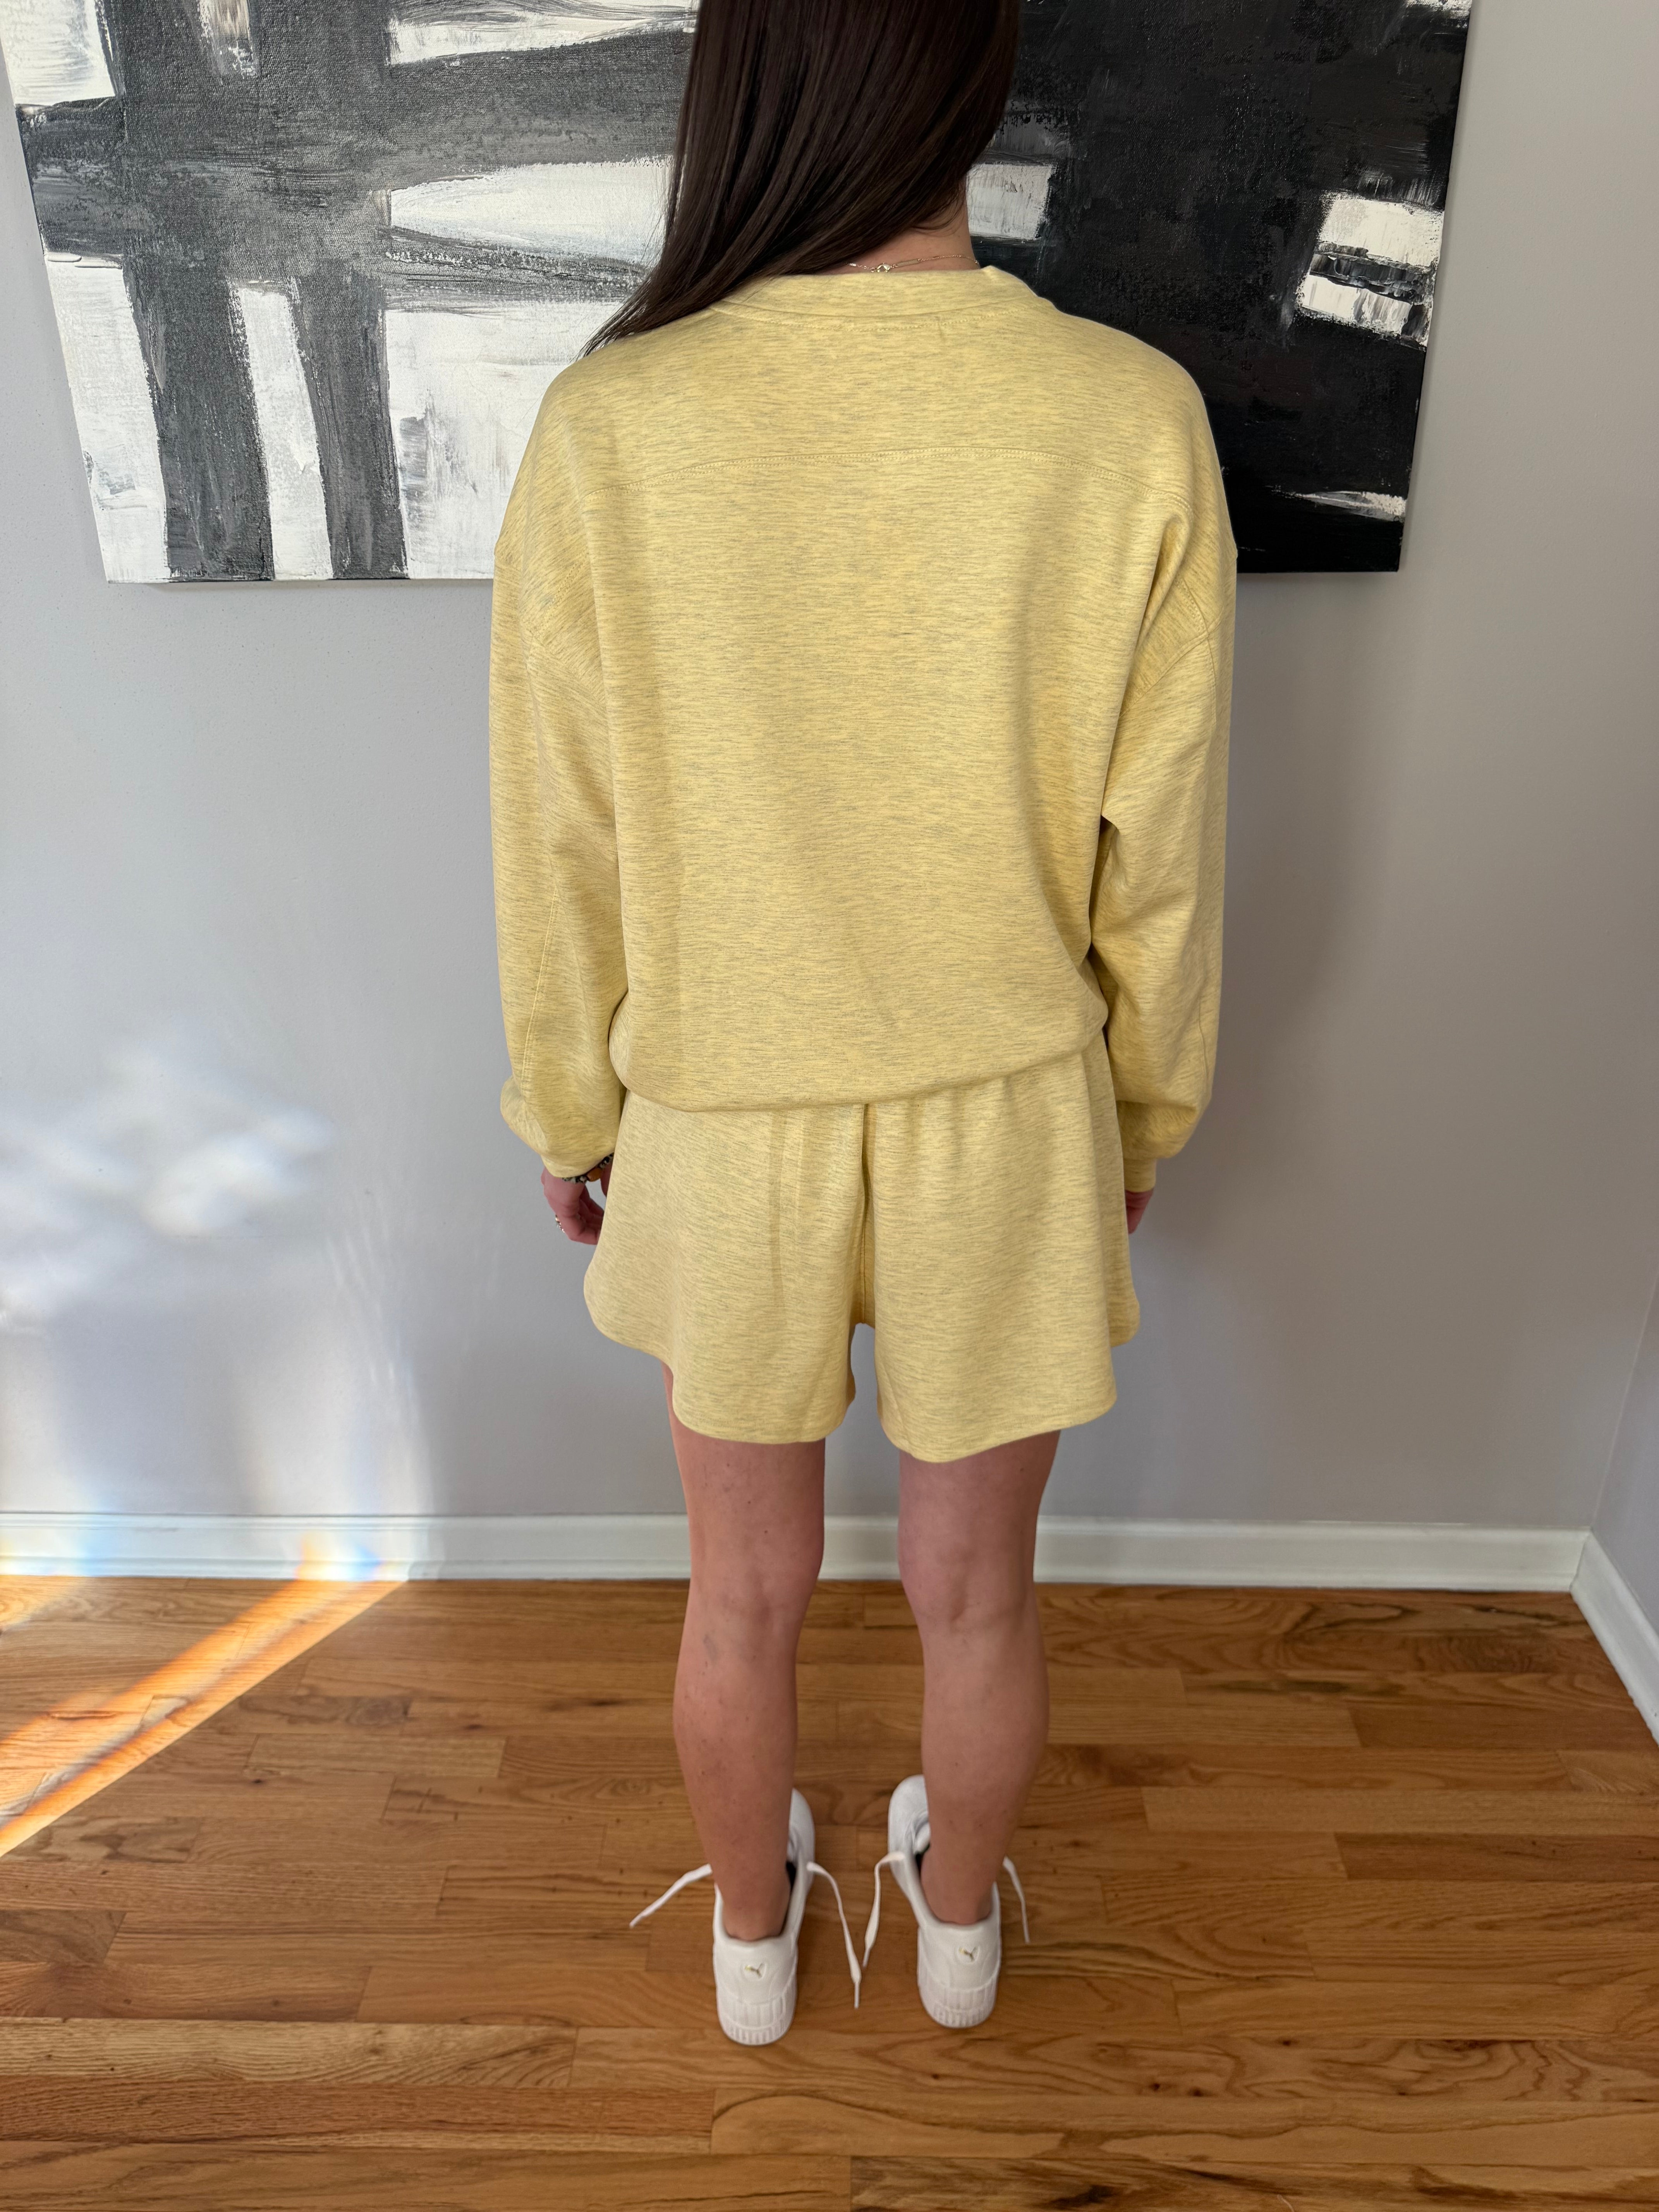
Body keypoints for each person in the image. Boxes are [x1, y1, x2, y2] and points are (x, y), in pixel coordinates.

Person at [488, 0, 1235, 2046]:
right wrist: (1141, 1119)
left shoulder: (614, 423)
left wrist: (567, 1109)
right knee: (978, 1595)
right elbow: (1162, 862)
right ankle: (960, 1936)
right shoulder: (1127, 417)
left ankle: (755, 1950)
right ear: (972, 86)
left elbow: (560, 837)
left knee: (740, 1592)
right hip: (1007, 1111)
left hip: (725, 1114)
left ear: (745, 81)